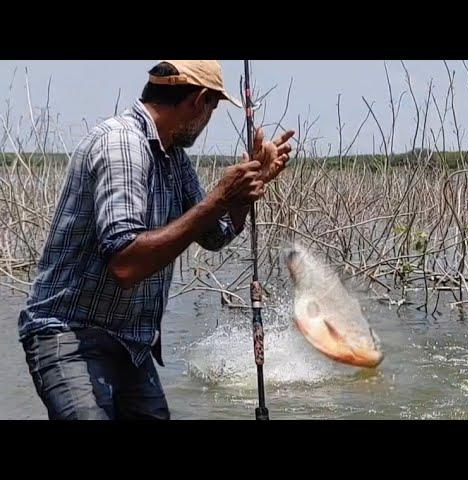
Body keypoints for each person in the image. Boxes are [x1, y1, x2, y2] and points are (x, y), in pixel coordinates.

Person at [18, 60, 295, 420]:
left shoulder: (173, 157)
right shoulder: (122, 145)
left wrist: (243, 192)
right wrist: (220, 198)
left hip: (131, 342)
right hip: (70, 335)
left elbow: (214, 234)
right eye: (212, 107)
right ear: (198, 101)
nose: (209, 120)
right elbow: (126, 264)